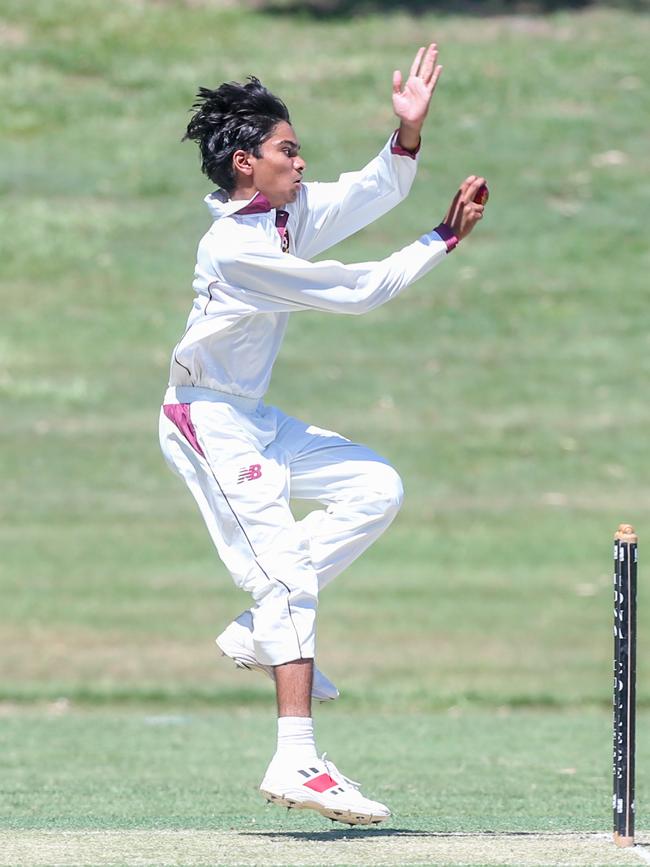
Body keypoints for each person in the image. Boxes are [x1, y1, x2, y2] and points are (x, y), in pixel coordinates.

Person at [159, 43, 486, 826]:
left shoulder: (282, 216)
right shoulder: (236, 248)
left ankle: (255, 631)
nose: (301, 162)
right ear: (246, 162)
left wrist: (406, 135)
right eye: (288, 150)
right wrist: (440, 238)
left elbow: (368, 192)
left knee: (376, 485)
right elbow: (359, 288)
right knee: (288, 581)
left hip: (255, 417)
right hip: (208, 421)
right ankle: (297, 759)